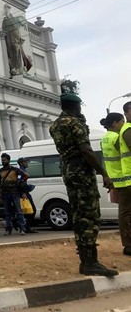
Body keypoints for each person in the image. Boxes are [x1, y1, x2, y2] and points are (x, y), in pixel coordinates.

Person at [49, 92, 118, 276]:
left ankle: (85, 260)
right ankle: (91, 262)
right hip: (82, 173)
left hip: (68, 172)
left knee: (79, 215)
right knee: (90, 215)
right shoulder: (75, 123)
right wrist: (103, 173)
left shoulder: (55, 125)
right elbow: (86, 150)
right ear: (76, 106)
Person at [0, 153, 28, 235]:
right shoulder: (1, 171)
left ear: (8, 160)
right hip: (5, 193)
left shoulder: (15, 169)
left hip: (15, 193)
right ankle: (8, 229)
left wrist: (20, 182)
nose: (3, 162)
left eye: (4, 160)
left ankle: (22, 228)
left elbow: (26, 176)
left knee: (19, 211)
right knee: (7, 212)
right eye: (2, 160)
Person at [114, 106, 131, 256]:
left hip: (126, 178)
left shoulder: (124, 129)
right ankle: (128, 245)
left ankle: (128, 245)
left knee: (125, 212)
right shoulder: (128, 129)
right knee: (125, 213)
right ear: (126, 113)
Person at [16, 157, 38, 233]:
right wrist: (22, 193)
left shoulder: (23, 170)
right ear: (21, 163)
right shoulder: (20, 171)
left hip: (25, 192)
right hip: (24, 193)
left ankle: (26, 227)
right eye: (25, 162)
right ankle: (24, 226)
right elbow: (18, 182)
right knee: (32, 210)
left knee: (28, 211)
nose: (27, 163)